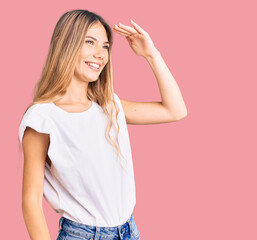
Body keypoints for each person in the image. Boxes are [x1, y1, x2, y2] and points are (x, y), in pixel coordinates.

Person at [18, 9, 187, 240]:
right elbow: (30, 201)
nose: (100, 54)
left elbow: (175, 110)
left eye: (105, 47)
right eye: (90, 42)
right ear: (63, 43)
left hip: (129, 231)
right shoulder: (43, 118)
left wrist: (152, 55)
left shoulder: (110, 106)